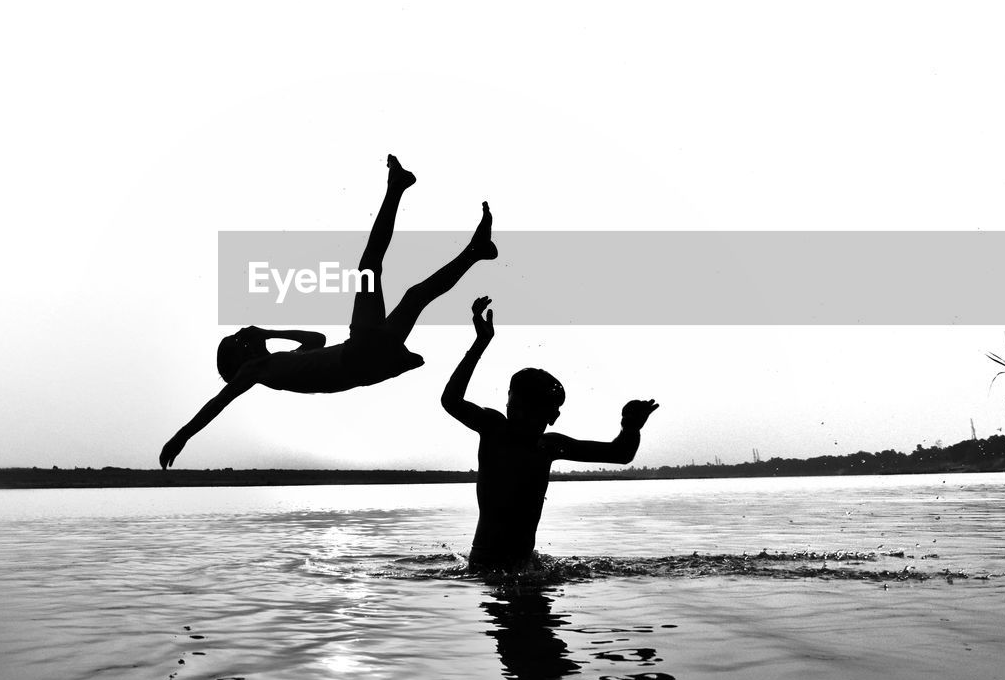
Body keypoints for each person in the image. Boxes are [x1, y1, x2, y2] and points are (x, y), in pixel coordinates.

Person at [160, 155, 497, 469]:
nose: (243, 337)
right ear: (239, 360)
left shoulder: (283, 366)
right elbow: (218, 403)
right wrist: (182, 436)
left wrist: (267, 332)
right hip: (360, 354)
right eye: (237, 341)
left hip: (367, 362)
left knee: (415, 296)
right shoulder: (254, 370)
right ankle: (396, 188)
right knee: (369, 268)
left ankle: (475, 252)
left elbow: (316, 338)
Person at [441, 297, 659, 573]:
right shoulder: (495, 429)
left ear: (550, 416)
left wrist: (631, 428)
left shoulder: (549, 446)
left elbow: (620, 454)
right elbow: (451, 401)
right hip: (487, 565)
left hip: (525, 565)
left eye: (527, 409)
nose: (515, 412)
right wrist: (480, 344)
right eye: (513, 404)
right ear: (509, 404)